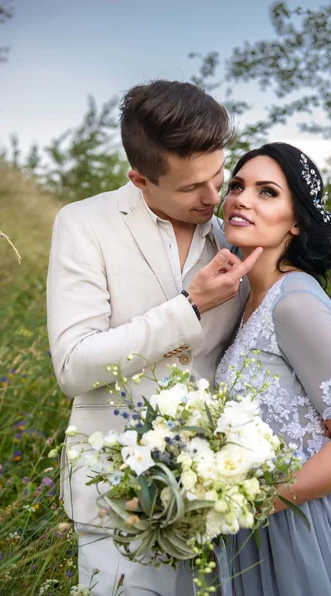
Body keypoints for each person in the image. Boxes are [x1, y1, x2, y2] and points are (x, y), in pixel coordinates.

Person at [46, 80, 262, 596]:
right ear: (140, 179)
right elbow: (73, 366)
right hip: (114, 496)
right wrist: (188, 308)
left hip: (214, 496)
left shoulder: (234, 229)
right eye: (191, 188)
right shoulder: (83, 224)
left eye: (218, 176)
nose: (213, 198)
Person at [210, 142, 331, 595]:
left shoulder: (295, 303)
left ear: (296, 221)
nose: (242, 199)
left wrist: (244, 502)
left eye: (267, 191)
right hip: (257, 532)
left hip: (310, 527)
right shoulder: (244, 298)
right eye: (236, 185)